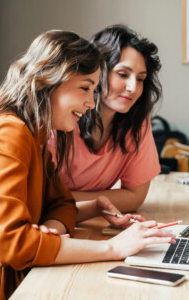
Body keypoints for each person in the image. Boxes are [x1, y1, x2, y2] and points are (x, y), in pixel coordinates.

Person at [0, 30, 175, 300]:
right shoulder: (6, 133)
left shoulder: (36, 135)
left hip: (0, 274)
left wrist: (83, 212)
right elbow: (13, 245)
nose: (91, 103)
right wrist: (112, 247)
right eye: (86, 89)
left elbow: (60, 204)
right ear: (49, 80)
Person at [50, 25, 162, 218]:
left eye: (141, 79)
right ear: (96, 70)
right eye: (122, 74)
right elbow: (40, 200)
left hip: (80, 220)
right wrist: (104, 200)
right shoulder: (60, 118)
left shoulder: (137, 121)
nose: (133, 88)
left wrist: (68, 199)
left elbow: (135, 197)